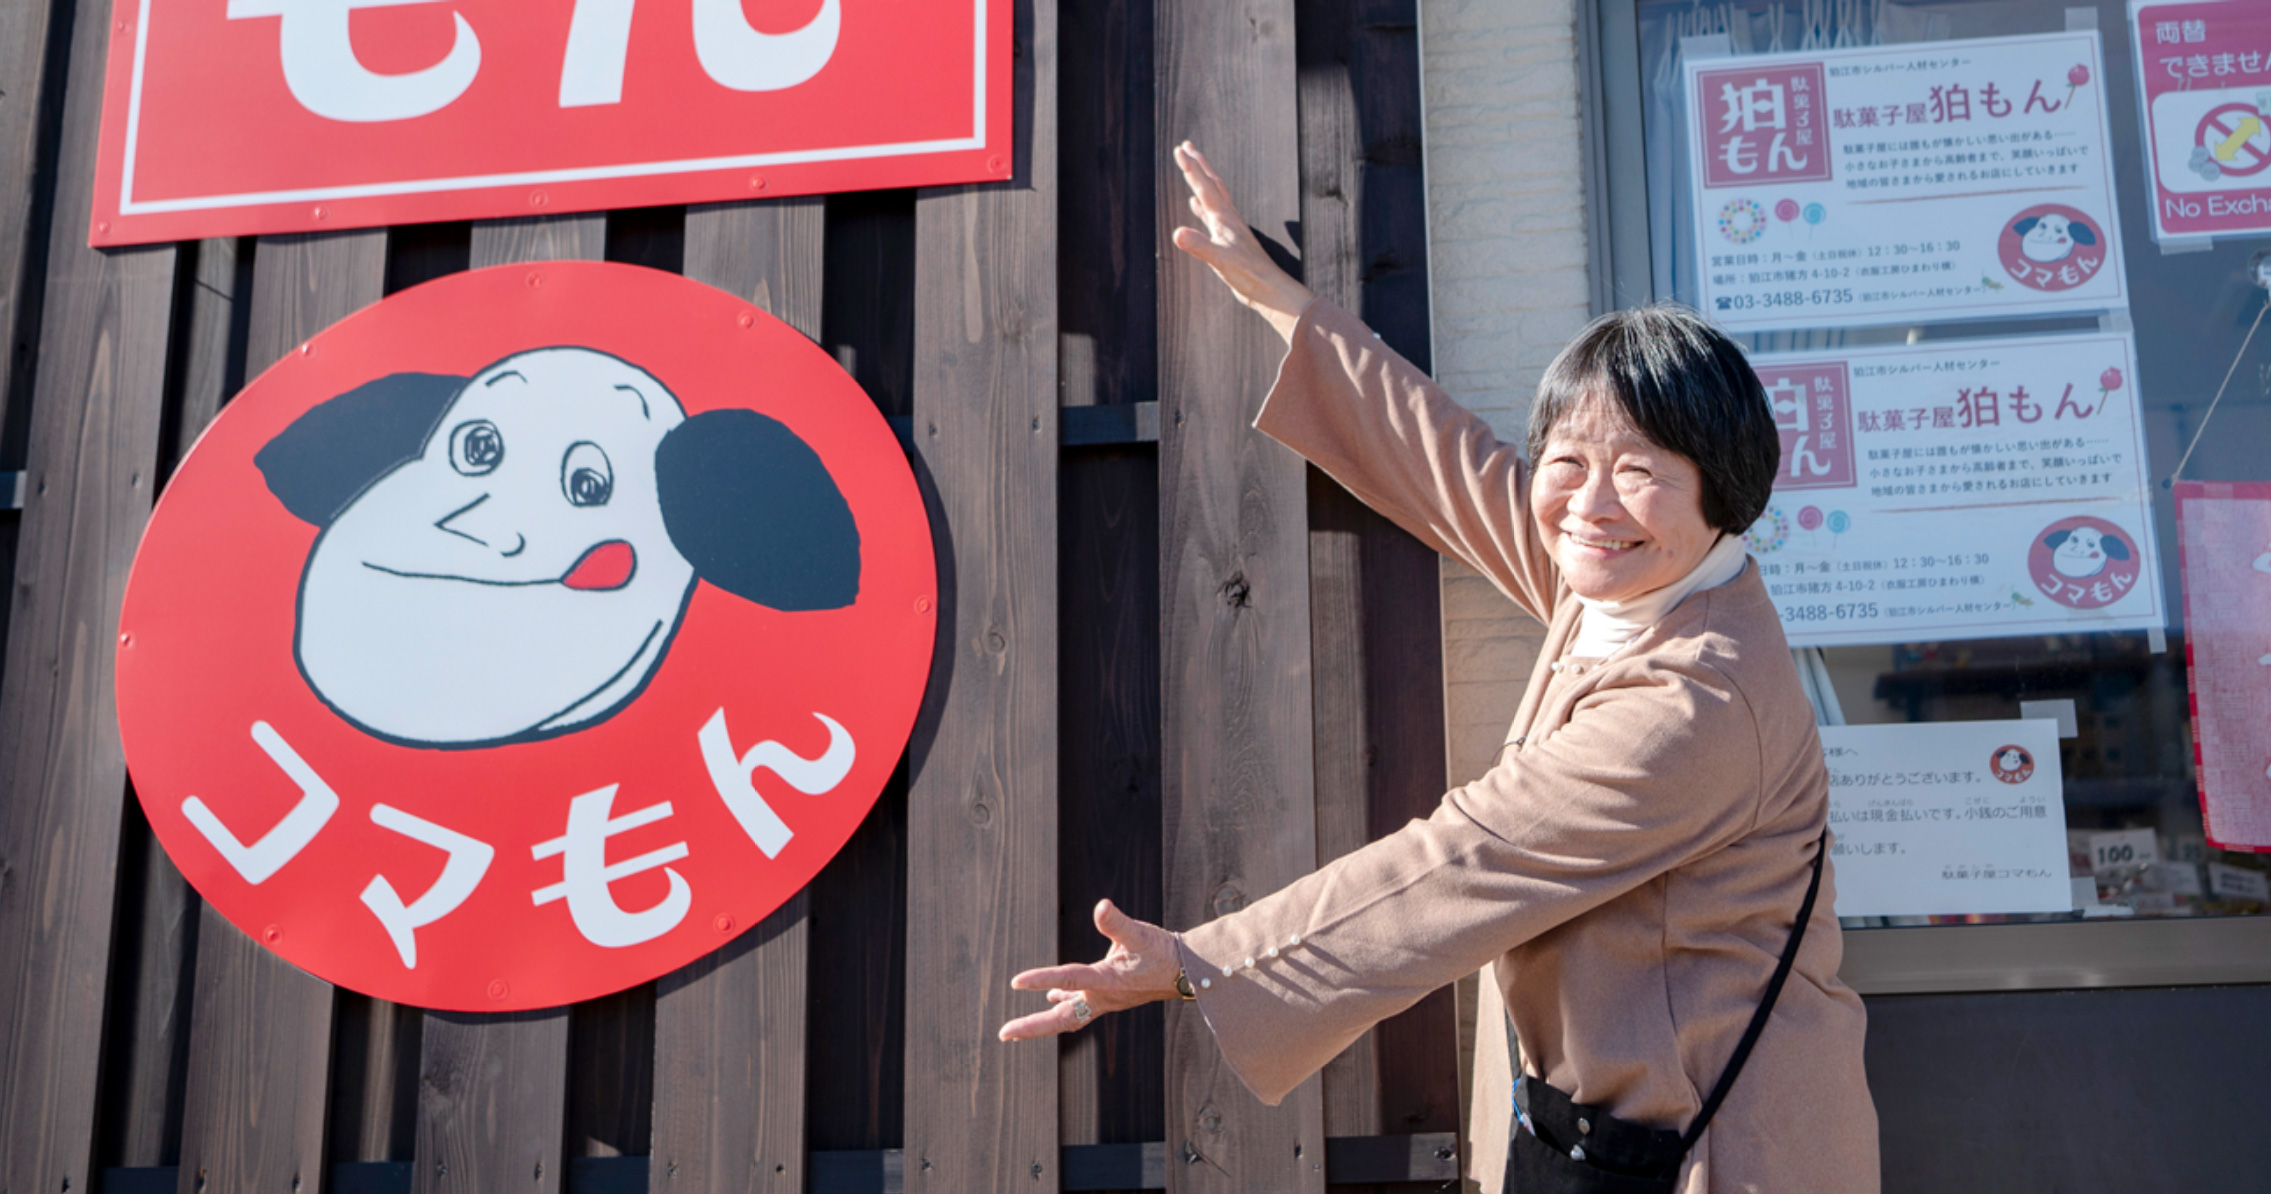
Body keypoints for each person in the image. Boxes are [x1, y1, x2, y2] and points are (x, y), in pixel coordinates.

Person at [1000, 142, 1879, 1193]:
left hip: (1722, 1150)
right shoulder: (1629, 578)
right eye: (1570, 461)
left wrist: (1199, 967)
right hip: (1613, 1124)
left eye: (1638, 471)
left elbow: (1466, 857)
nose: (1588, 505)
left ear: (1724, 492)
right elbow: (1447, 462)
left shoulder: (1695, 699)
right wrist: (1276, 296)